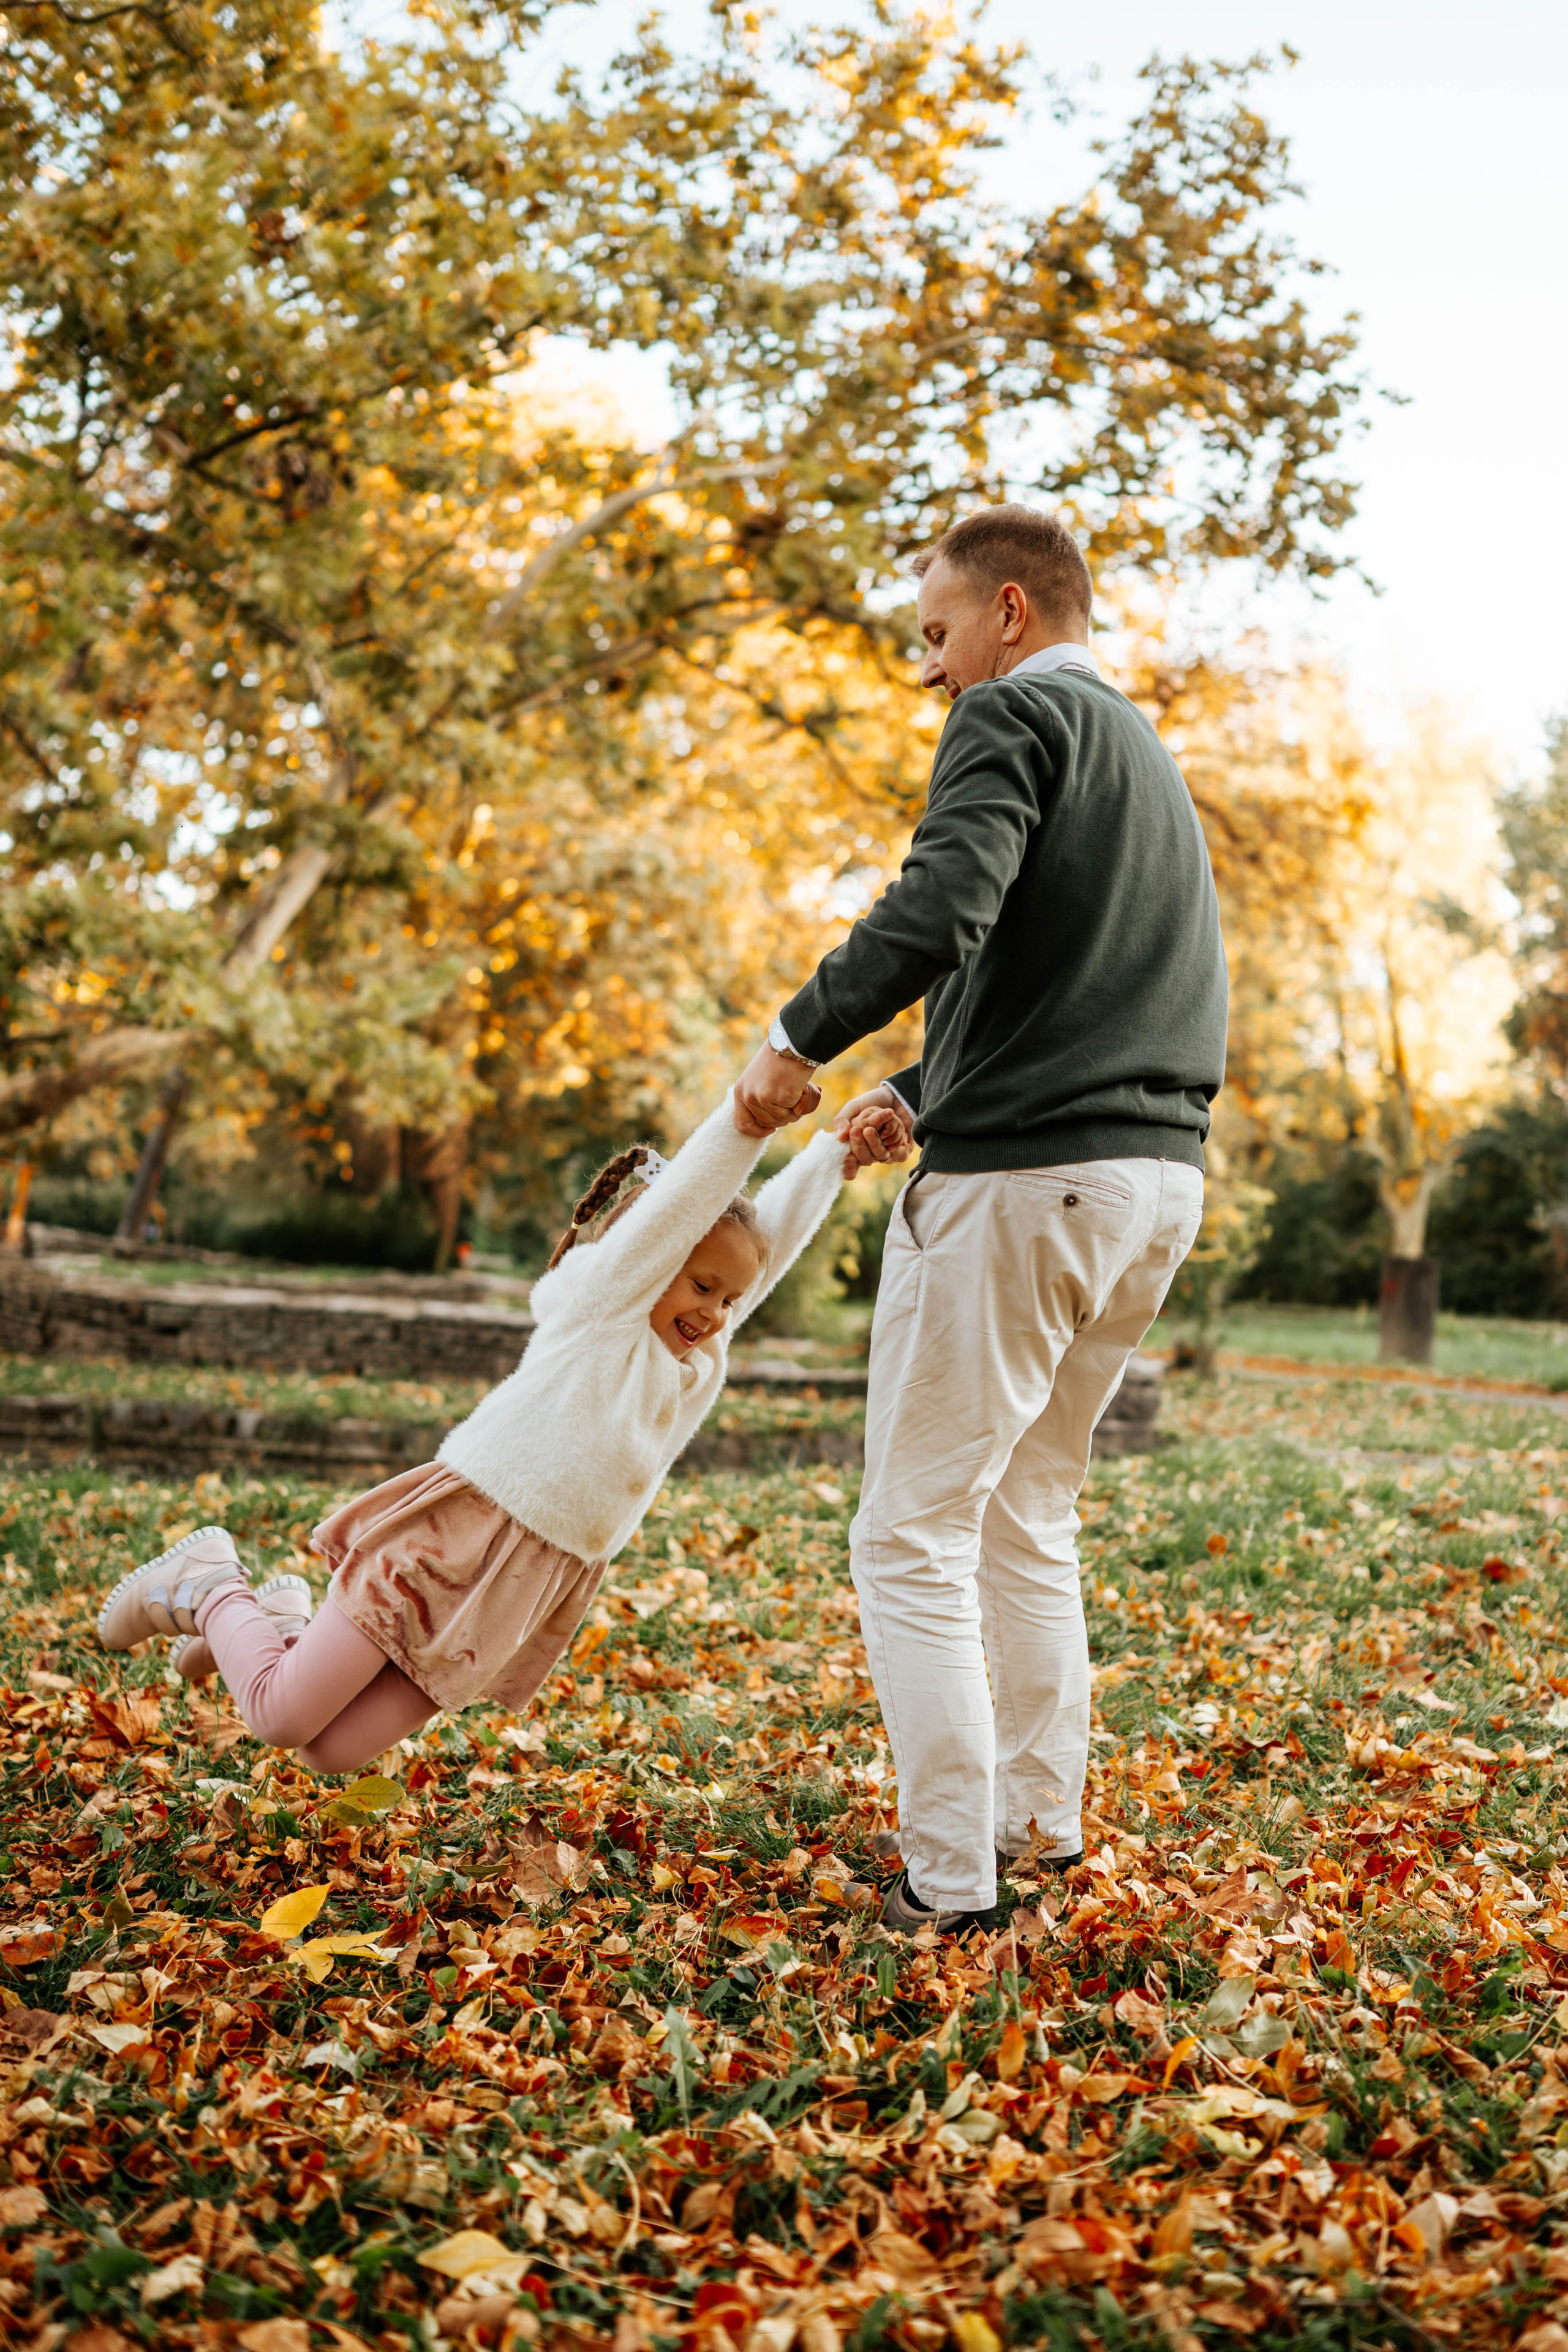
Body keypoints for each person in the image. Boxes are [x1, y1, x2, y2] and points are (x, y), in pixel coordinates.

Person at [734, 504, 1227, 1937]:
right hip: (1145, 1187)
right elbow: (1059, 983)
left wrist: (801, 1034)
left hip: (1026, 1198)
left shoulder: (1007, 719)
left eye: (937, 635)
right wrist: (924, 1096)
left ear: (1010, 615)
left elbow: (941, 906)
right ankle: (1038, 1824)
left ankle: (946, 1882)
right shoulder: (1141, 757)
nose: (931, 671)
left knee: (909, 1532)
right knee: (1028, 1508)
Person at [96, 1088, 909, 1772]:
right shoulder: (608, 1312)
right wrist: (748, 1118)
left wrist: (836, 1156)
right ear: (653, 1258)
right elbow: (684, 1206)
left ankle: (277, 1623)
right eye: (701, 1286)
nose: (715, 1312)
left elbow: (772, 1243)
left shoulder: (694, 1356)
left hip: (530, 1579)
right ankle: (211, 1584)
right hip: (456, 1535)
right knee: (280, 1717)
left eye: (729, 1300)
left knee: (330, 1752)